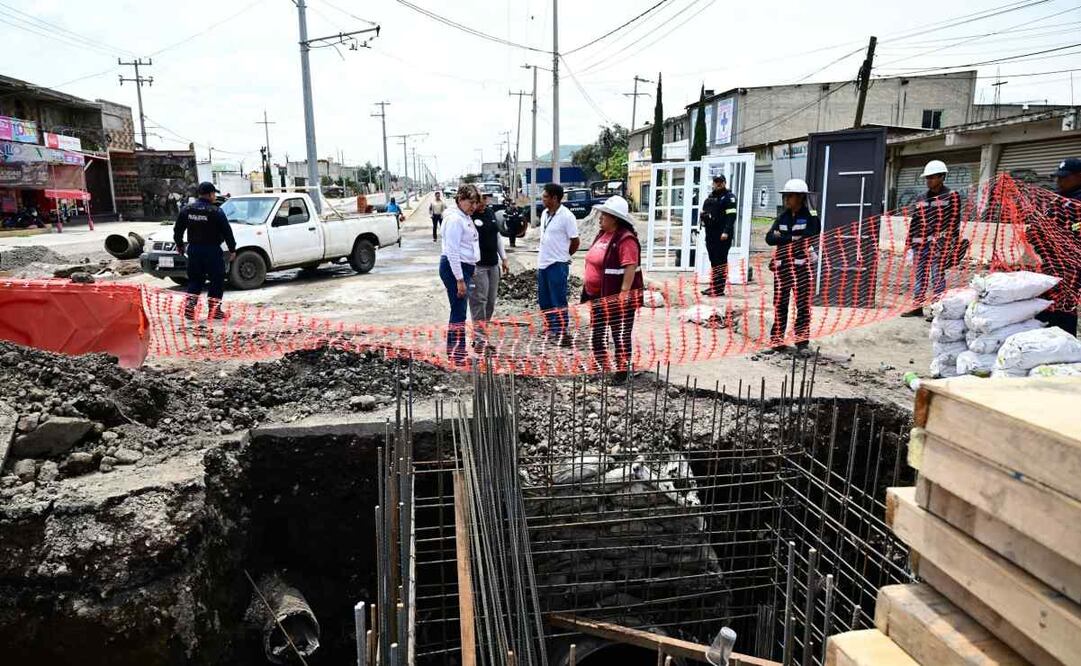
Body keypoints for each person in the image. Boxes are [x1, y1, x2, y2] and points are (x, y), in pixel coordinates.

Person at [581, 195, 643, 383]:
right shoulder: (602, 234)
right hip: (598, 296)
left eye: (604, 215)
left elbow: (630, 266)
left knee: (620, 334)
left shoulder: (626, 239)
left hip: (616, 297)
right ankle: (601, 367)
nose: (600, 218)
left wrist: (624, 293)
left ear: (615, 218)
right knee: (598, 334)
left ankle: (622, 373)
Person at [766, 178, 820, 353]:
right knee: (780, 305)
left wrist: (782, 237)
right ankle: (776, 341)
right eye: (786, 196)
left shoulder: (811, 218)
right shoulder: (783, 217)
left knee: (802, 306)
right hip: (782, 269)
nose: (786, 199)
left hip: (801, 269)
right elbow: (769, 238)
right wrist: (791, 238)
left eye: (790, 196)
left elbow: (808, 237)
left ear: (800, 197)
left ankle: (802, 344)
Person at [903, 160, 962, 316]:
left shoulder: (952, 196)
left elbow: (954, 221)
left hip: (939, 245)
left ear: (942, 177)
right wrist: (909, 243)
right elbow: (915, 221)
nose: (928, 180)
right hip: (919, 244)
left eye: (932, 177)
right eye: (927, 178)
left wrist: (951, 243)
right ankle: (917, 307)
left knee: (937, 277)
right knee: (919, 276)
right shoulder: (921, 197)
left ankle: (936, 311)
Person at [1030, 157, 1081, 336]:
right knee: (1045, 304)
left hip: (1069, 267)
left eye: (1064, 177)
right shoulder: (1057, 199)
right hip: (1049, 262)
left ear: (1079, 176)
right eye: (1058, 177)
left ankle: (1064, 343)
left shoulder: (1077, 202)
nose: (1059, 181)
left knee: (1064, 307)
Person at [174, 181, 237, 320]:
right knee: (217, 279)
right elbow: (227, 232)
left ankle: (190, 307)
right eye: (214, 194)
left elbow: (178, 229)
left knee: (195, 279)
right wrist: (232, 249)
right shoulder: (216, 211)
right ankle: (214, 311)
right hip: (212, 250)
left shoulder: (187, 210)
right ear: (210, 194)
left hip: (194, 250)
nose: (215, 196)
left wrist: (179, 245)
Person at [439, 184, 480, 363]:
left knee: (459, 311)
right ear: (460, 199)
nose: (474, 206)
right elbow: (453, 252)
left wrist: (472, 265)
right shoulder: (455, 220)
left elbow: (469, 245)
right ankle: (457, 354)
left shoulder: (464, 217)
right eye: (471, 202)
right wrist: (460, 279)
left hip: (463, 267)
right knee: (459, 311)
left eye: (476, 203)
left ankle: (456, 352)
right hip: (455, 268)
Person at [537, 183, 580, 345]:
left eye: (545, 196)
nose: (542, 199)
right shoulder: (544, 214)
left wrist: (564, 256)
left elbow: (575, 241)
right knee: (544, 300)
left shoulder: (567, 216)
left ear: (555, 198)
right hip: (543, 263)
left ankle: (561, 331)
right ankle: (550, 328)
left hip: (557, 264)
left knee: (558, 299)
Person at [470, 193, 510, 350]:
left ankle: (481, 334)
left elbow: (497, 236)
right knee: (479, 302)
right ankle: (480, 340)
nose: (483, 205)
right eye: (481, 202)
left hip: (493, 265)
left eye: (485, 202)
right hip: (478, 266)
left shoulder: (490, 213)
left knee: (490, 302)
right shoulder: (469, 217)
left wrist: (504, 258)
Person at [700, 174, 737, 296]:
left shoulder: (729, 197)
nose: (718, 183)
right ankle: (714, 286)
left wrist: (726, 231)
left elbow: (731, 217)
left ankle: (719, 289)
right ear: (713, 183)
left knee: (720, 261)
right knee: (713, 260)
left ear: (725, 183)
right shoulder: (711, 197)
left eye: (721, 181)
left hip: (722, 235)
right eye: (716, 181)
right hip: (711, 234)